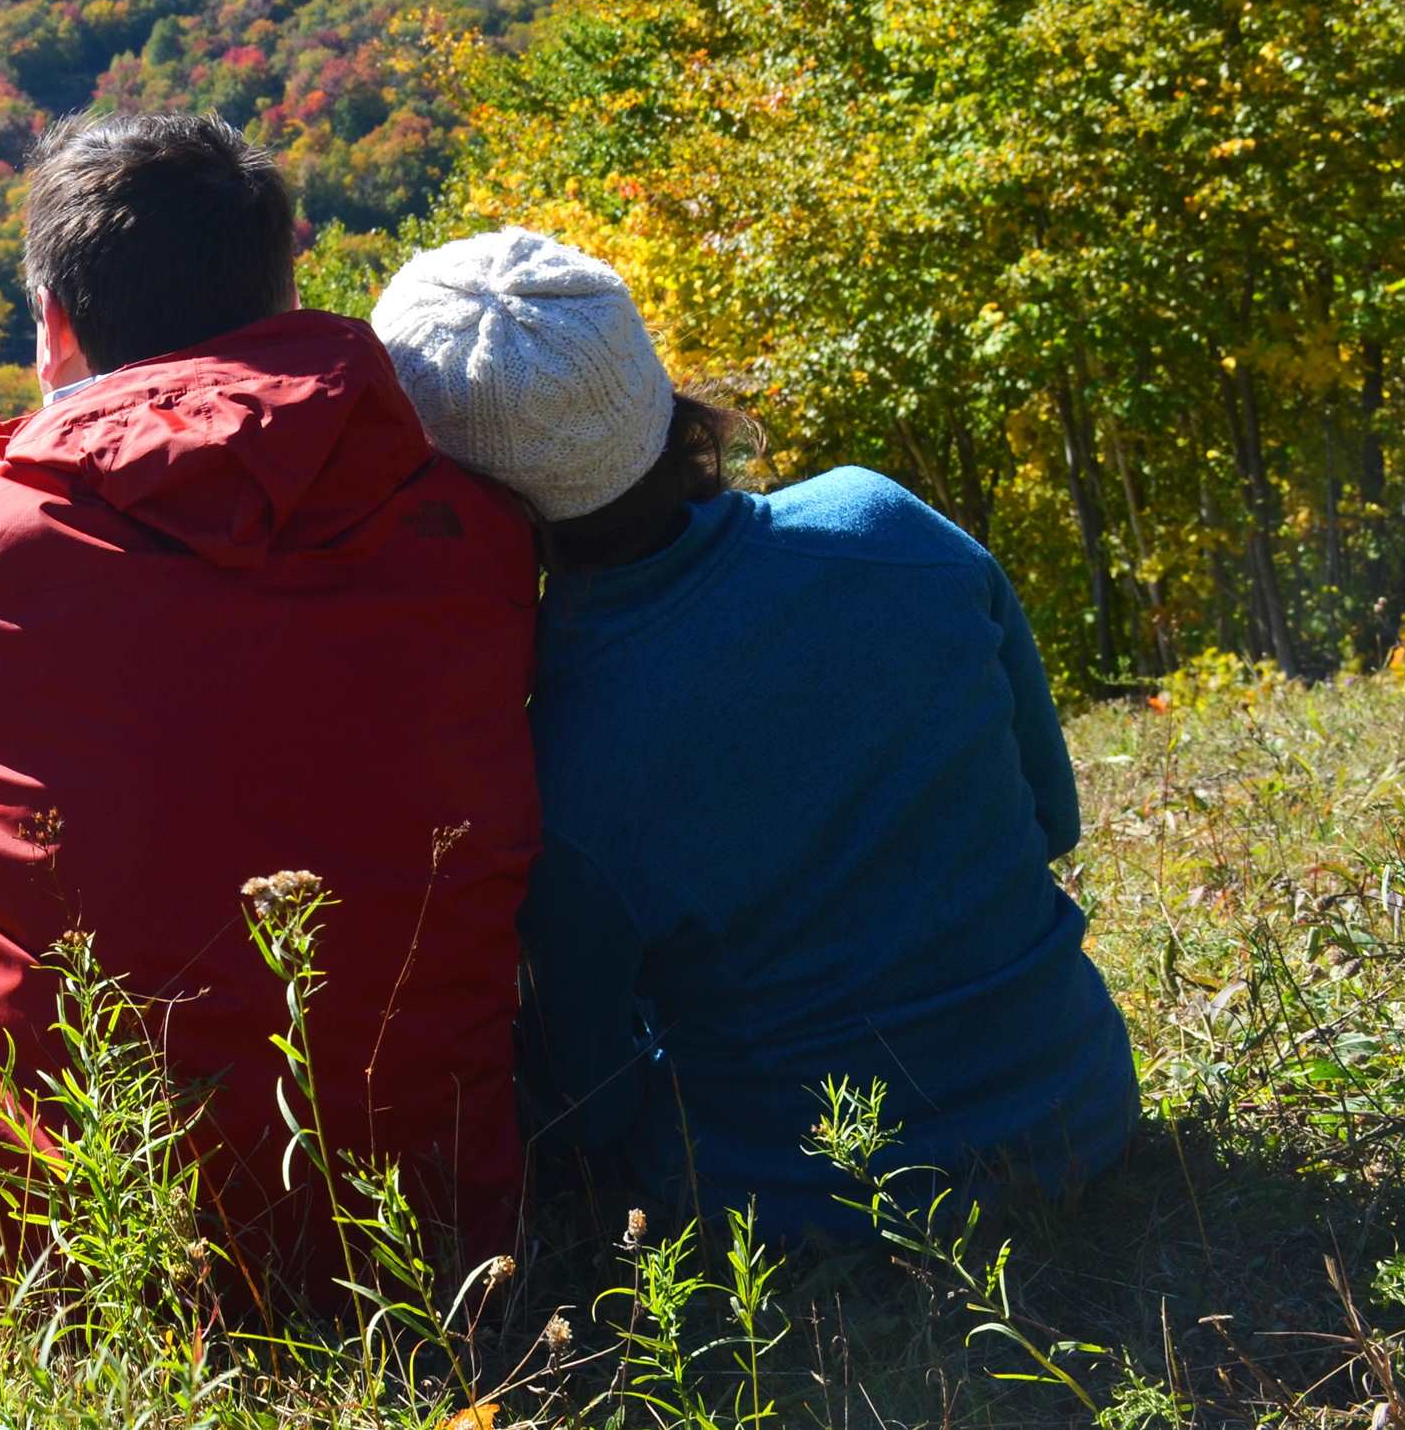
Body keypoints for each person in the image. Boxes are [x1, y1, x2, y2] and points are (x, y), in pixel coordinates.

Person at [0, 111, 542, 1303]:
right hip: (424, 1241)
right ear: (279, 292)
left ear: (56, 326)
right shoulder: (469, 528)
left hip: (70, 1253)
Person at [372, 228, 1136, 1235]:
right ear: (647, 388)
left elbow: (592, 1092)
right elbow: (1051, 816)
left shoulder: (553, 748)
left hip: (802, 1202)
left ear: (459, 493)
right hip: (1081, 1107)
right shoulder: (889, 528)